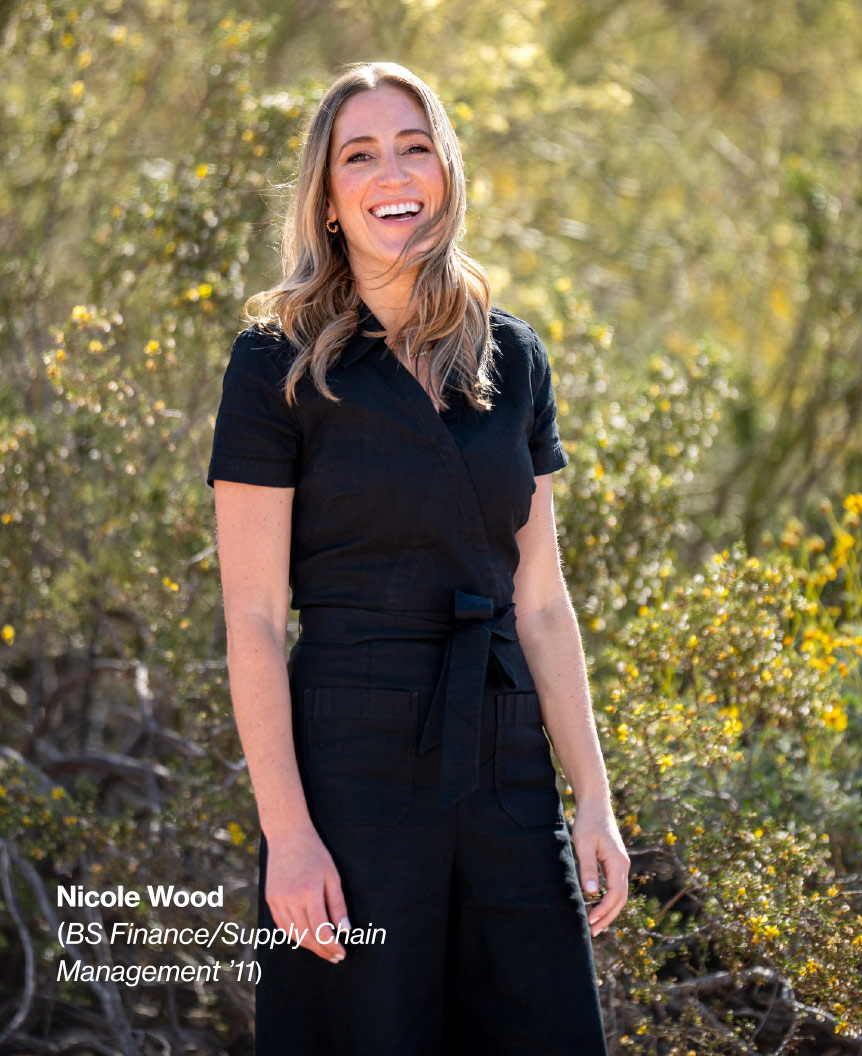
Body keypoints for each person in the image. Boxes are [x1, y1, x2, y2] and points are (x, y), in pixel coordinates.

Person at [206, 60, 630, 1056]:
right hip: (347, 769)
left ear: (445, 170)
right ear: (328, 197)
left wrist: (595, 801)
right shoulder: (274, 365)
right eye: (361, 154)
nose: (393, 172)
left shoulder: (511, 357)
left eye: (414, 146)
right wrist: (290, 835)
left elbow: (540, 603)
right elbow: (255, 620)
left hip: (503, 756)